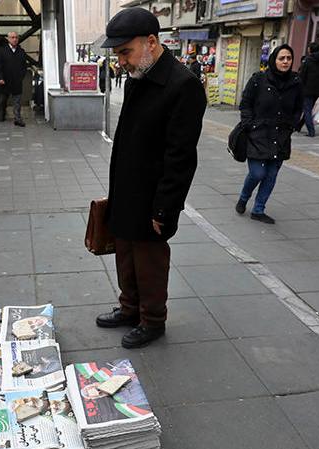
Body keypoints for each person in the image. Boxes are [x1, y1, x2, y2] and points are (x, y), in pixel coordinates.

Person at [95, 7, 206, 348]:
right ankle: (129, 309)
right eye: (117, 54)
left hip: (154, 195)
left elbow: (181, 157)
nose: (121, 62)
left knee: (149, 260)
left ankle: (152, 320)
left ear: (152, 42)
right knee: (125, 252)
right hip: (127, 187)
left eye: (125, 52)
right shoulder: (138, 78)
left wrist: (165, 208)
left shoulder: (182, 85)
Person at [234, 45, 303, 224]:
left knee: (271, 175)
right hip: (258, 134)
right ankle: (243, 198)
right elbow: (245, 104)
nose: (286, 61)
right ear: (274, 60)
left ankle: (258, 209)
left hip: (281, 136)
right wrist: (249, 124)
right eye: (282, 58)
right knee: (257, 173)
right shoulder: (259, 79)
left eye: (289, 58)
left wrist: (293, 125)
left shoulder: (296, 82)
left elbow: (299, 107)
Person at [0, 31, 28, 126]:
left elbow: (24, 66)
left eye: (16, 37)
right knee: (3, 100)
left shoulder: (21, 51)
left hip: (17, 81)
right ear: (8, 39)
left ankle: (17, 118)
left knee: (17, 101)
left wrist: (21, 77)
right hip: (4, 80)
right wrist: (0, 78)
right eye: (12, 37)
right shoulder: (2, 50)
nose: (15, 39)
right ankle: (2, 113)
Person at [296, 42, 319, 137]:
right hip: (318, 90)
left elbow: (302, 75)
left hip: (307, 89)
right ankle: (298, 126)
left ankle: (311, 131)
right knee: (308, 109)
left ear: (310, 49)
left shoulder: (307, 60)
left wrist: (299, 86)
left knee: (307, 109)